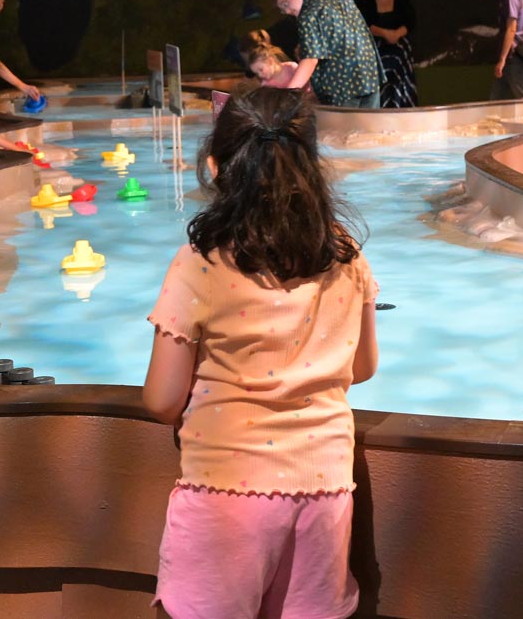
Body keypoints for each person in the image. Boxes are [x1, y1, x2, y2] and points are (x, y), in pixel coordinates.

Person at [142, 86, 378, 619]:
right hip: (325, 488)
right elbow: (361, 367)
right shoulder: (346, 255)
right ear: (311, 165)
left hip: (225, 490)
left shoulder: (201, 262)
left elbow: (161, 399)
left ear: (215, 165)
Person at [274, 0, 381, 108]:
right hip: (369, 74)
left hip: (342, 85)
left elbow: (310, 60)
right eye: (283, 10)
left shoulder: (307, 13)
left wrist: (287, 95)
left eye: (286, 5)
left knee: (344, 128)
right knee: (371, 127)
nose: (288, 12)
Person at [360, 0, 418, 108]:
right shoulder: (365, 3)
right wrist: (386, 34)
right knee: (382, 62)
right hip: (374, 44)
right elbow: (365, 24)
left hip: (399, 42)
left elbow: (410, 23)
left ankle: (400, 102)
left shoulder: (402, 2)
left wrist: (396, 34)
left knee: (398, 56)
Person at [246, 31, 317, 91]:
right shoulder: (266, 85)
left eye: (261, 70)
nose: (260, 75)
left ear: (270, 61)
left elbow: (308, 81)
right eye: (257, 73)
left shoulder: (291, 67)